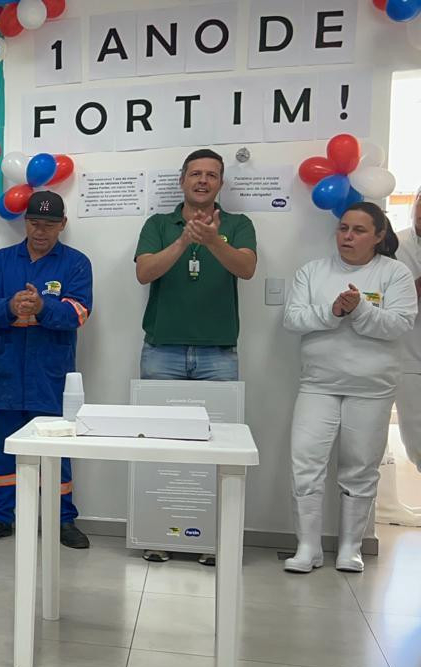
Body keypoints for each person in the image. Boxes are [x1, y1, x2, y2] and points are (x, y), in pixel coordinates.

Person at [133, 148, 257, 564]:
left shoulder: (238, 225)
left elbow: (246, 268)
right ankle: (157, 534)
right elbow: (144, 272)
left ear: (221, 183)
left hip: (217, 354)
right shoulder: (158, 224)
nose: (203, 180)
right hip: (162, 352)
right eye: (196, 174)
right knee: (159, 446)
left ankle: (212, 541)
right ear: (182, 180)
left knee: (218, 450)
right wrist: (184, 240)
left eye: (211, 175)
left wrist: (213, 240)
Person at [282, 202, 416, 573]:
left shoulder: (395, 273)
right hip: (318, 384)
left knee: (359, 469)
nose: (348, 236)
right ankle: (307, 548)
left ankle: (350, 548)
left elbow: (400, 324)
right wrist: (334, 311)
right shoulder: (313, 271)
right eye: (343, 228)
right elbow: (293, 319)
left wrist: (360, 309)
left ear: (378, 235)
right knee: (305, 464)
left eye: (358, 230)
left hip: (371, 388)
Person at [0, 190, 92, 550]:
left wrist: (42, 307)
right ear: (25, 222)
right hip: (5, 374)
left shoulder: (76, 263)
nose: (41, 231)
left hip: (50, 376)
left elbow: (79, 313)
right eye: (35, 223)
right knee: (3, 451)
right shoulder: (0, 261)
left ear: (63, 224)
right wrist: (11, 307)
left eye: (49, 225)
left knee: (57, 451)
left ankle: (62, 520)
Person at [390, 192, 421, 469]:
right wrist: (415, 287)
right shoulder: (396, 245)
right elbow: (383, 297)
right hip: (410, 355)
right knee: (416, 437)